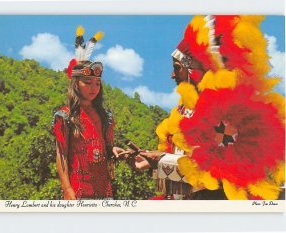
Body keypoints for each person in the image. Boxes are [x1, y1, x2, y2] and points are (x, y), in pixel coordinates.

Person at [114, 15, 285, 200]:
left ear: (194, 71)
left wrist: (161, 160)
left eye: (177, 67)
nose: (172, 75)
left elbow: (221, 175)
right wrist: (148, 163)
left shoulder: (229, 112)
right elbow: (183, 180)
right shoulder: (182, 112)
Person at [53, 26, 115, 200]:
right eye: (87, 82)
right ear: (75, 84)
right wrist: (67, 189)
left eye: (97, 83)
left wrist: (116, 151)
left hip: (104, 190)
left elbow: (105, 147)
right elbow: (61, 155)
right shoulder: (65, 116)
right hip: (78, 190)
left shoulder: (106, 116)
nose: (93, 88)